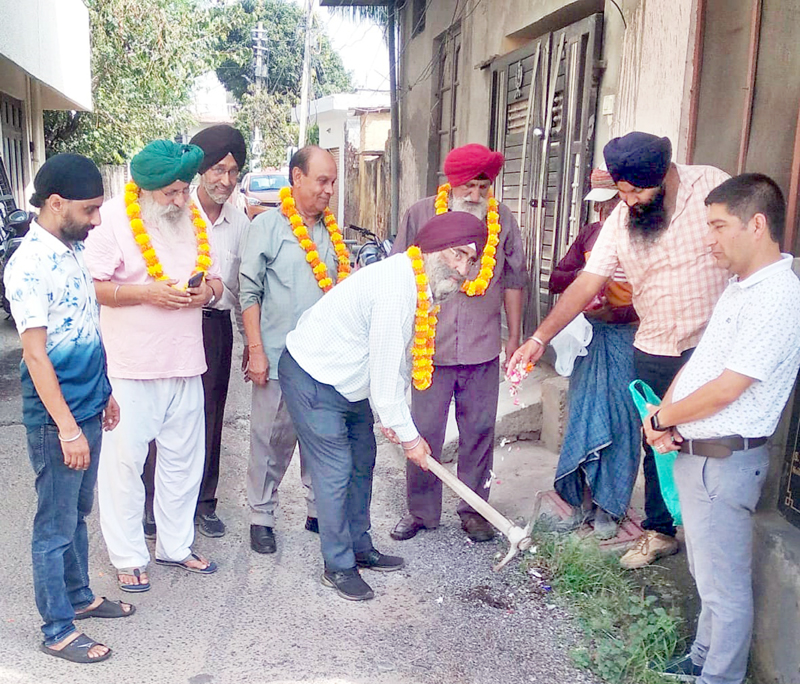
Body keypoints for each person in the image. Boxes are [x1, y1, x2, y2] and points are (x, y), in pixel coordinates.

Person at [511, 132, 731, 568]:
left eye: (636, 191)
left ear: (665, 175)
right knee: (657, 440)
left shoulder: (711, 186)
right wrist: (540, 338)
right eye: (621, 192)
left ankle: (715, 537)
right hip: (653, 346)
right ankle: (659, 530)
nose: (628, 201)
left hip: (710, 348)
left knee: (712, 443)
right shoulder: (622, 220)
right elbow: (586, 283)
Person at [278, 211, 487, 601]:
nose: (461, 269)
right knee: (336, 469)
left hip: (350, 383)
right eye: (456, 254)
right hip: (313, 376)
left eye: (470, 260)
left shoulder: (416, 285)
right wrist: (411, 439)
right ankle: (337, 566)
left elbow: (400, 362)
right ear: (430, 249)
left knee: (363, 459)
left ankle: (360, 548)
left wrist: (396, 420)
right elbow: (386, 377)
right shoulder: (396, 288)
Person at [642, 174, 800, 684]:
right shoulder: (740, 288)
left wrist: (665, 419)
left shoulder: (778, 297)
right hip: (700, 452)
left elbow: (730, 386)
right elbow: (702, 364)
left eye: (717, 225)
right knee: (706, 577)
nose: (708, 238)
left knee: (725, 589)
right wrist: (661, 417)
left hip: (725, 460)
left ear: (756, 224)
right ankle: (700, 658)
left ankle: (719, 676)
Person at [4, 154, 134, 663]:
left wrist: (104, 392)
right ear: (55, 204)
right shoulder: (29, 264)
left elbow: (85, 327)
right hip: (56, 420)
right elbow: (35, 353)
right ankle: (56, 627)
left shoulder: (73, 248)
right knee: (55, 523)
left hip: (87, 404)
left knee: (78, 511)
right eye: (90, 208)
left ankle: (79, 597)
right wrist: (67, 428)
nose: (98, 219)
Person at [84, 140, 224, 592]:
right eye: (172, 194)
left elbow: (217, 279)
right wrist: (147, 292)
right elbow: (94, 286)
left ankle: (176, 546)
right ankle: (127, 555)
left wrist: (208, 294)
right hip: (130, 365)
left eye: (185, 191)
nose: (182, 200)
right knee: (125, 464)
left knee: (185, 461)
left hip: (186, 361)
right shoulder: (111, 219)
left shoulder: (195, 218)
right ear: (145, 190)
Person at [389, 143, 526, 544]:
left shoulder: (504, 221)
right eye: (467, 185)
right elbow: (400, 273)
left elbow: (515, 280)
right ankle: (421, 512)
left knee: (480, 430)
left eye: (483, 186)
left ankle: (475, 511)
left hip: (483, 347)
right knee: (423, 432)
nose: (474, 194)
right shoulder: (420, 213)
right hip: (430, 347)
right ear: (451, 182)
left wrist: (514, 337)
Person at [141, 124, 250, 539]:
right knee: (160, 414)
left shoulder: (240, 224)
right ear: (200, 170)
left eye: (233, 171)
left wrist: (245, 339)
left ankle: (204, 502)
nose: (225, 179)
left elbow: (241, 285)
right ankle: (153, 505)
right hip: (168, 323)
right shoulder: (172, 211)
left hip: (214, 328)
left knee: (209, 417)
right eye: (218, 169)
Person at [239, 146, 343, 555]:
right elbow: (249, 292)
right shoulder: (267, 227)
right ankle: (261, 516)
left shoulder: (332, 231)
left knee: (322, 435)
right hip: (279, 353)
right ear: (296, 178)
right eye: (322, 180)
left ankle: (319, 510)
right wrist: (256, 351)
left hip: (324, 358)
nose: (329, 190)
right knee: (271, 438)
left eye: (333, 181)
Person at [548, 168, 639, 539]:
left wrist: (617, 306)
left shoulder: (645, 238)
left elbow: (654, 301)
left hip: (629, 339)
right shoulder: (590, 234)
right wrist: (588, 282)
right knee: (584, 414)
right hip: (591, 337)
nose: (605, 214)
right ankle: (583, 500)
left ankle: (611, 505)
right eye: (599, 207)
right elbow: (557, 277)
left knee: (622, 421)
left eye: (613, 204)